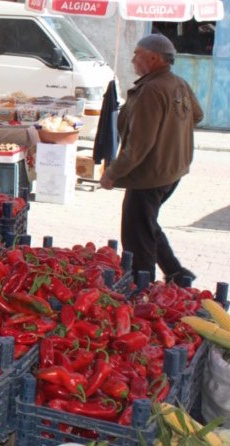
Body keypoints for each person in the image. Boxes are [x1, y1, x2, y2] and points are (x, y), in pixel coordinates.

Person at [99, 34, 203, 287]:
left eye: (138, 54)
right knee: (146, 223)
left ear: (154, 58)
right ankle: (177, 273)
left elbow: (139, 145)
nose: (133, 59)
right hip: (172, 170)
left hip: (150, 174)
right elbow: (196, 116)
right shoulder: (177, 83)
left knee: (136, 234)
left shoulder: (152, 89)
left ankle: (141, 287)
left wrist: (112, 173)